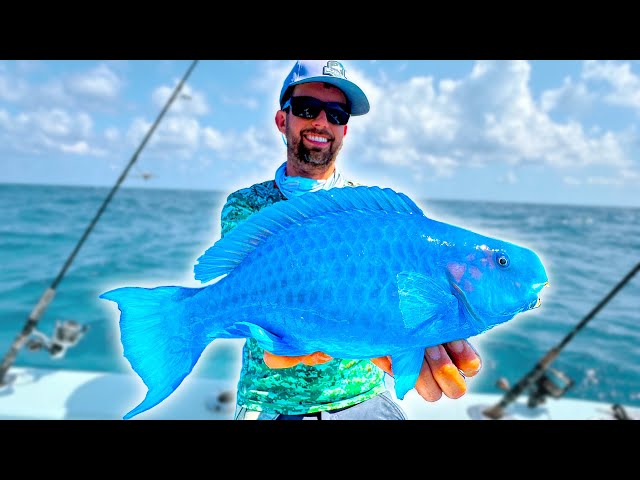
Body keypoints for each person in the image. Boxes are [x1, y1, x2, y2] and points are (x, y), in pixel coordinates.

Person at [221, 60, 482, 420]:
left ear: (345, 130)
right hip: (271, 402)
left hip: (365, 399)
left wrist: (426, 325)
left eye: (337, 114)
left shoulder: (379, 217)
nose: (322, 122)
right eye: (307, 108)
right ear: (283, 120)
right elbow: (246, 305)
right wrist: (283, 345)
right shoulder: (247, 207)